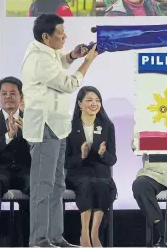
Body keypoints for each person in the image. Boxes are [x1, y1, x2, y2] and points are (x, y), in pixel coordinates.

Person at [21, 13, 98, 247]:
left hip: (58, 126)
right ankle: (39, 239)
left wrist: (73, 55)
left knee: (57, 186)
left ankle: (55, 236)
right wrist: (87, 62)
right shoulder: (38, 59)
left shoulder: (47, 51)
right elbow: (68, 84)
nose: (65, 36)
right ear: (46, 36)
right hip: (45, 128)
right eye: (60, 34)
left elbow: (59, 61)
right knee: (43, 186)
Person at [65, 86, 117, 247]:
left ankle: (94, 233)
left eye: (97, 100)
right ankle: (84, 234)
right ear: (80, 104)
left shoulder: (107, 125)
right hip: (77, 174)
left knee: (102, 185)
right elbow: (65, 161)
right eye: (89, 100)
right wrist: (81, 156)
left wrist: (102, 153)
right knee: (86, 184)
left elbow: (112, 159)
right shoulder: (69, 126)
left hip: (101, 173)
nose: (94, 104)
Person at [0, 77, 31, 214]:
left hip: (26, 172)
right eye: (4, 93)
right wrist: (8, 136)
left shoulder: (32, 120)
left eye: (12, 93)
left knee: (40, 186)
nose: (8, 97)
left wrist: (29, 134)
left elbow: (42, 151)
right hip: (0, 171)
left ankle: (35, 234)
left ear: (21, 96)